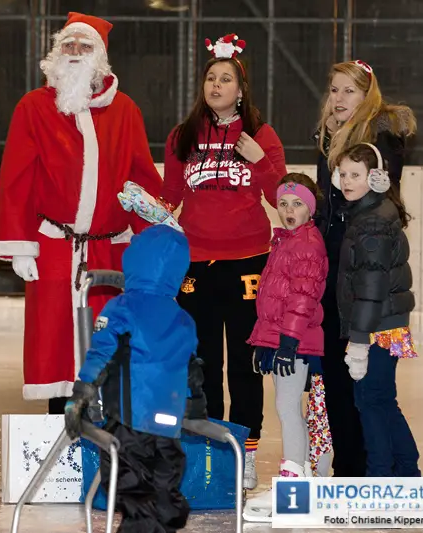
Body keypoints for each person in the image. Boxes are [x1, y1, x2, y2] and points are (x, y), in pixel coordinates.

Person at [0, 12, 163, 413]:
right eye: (68, 45)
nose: (75, 52)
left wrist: (152, 242)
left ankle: (105, 434)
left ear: (100, 57)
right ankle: (60, 430)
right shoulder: (33, 107)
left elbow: (141, 179)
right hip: (53, 247)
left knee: (108, 343)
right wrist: (20, 246)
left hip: (109, 251)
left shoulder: (125, 111)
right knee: (55, 346)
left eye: (85, 46)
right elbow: (17, 177)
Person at [160, 34, 287, 489]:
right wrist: (146, 210)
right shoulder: (183, 135)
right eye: (211, 77)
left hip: (249, 263)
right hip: (195, 265)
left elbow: (282, 197)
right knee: (203, 364)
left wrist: (259, 161)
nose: (216, 85)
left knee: (246, 366)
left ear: (241, 88)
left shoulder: (262, 135)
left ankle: (246, 453)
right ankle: (211, 452)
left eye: (225, 78)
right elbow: (170, 197)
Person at [313, 59, 416, 477]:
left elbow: (381, 201)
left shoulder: (378, 139)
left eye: (349, 90)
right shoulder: (330, 136)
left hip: (362, 270)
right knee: (342, 381)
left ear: (367, 95)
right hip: (336, 266)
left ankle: (382, 472)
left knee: (369, 390)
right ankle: (354, 467)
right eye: (334, 89)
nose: (339, 98)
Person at [65, 224, 201, 533]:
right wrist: (196, 408)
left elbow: (100, 354)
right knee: (165, 481)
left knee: (130, 487)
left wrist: (81, 394)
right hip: (169, 425)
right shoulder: (183, 318)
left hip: (128, 421)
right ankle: (166, 513)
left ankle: (146, 523)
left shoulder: (122, 307)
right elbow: (192, 368)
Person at [243, 173, 328, 522]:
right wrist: (263, 340)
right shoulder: (286, 241)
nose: (289, 210)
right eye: (283, 203)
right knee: (289, 407)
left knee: (287, 407)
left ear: (310, 208)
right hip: (283, 339)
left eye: (297, 204)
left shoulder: (307, 243)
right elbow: (272, 298)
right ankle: (303, 475)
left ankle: (293, 480)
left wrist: (288, 343)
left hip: (296, 341)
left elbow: (303, 298)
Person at [334, 143, 419, 477]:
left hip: (377, 329)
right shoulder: (367, 214)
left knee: (371, 402)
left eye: (355, 175)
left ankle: (381, 476)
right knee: (379, 400)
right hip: (382, 324)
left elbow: (371, 288)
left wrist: (358, 341)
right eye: (343, 174)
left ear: (375, 177)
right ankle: (406, 473)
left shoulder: (372, 222)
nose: (347, 181)